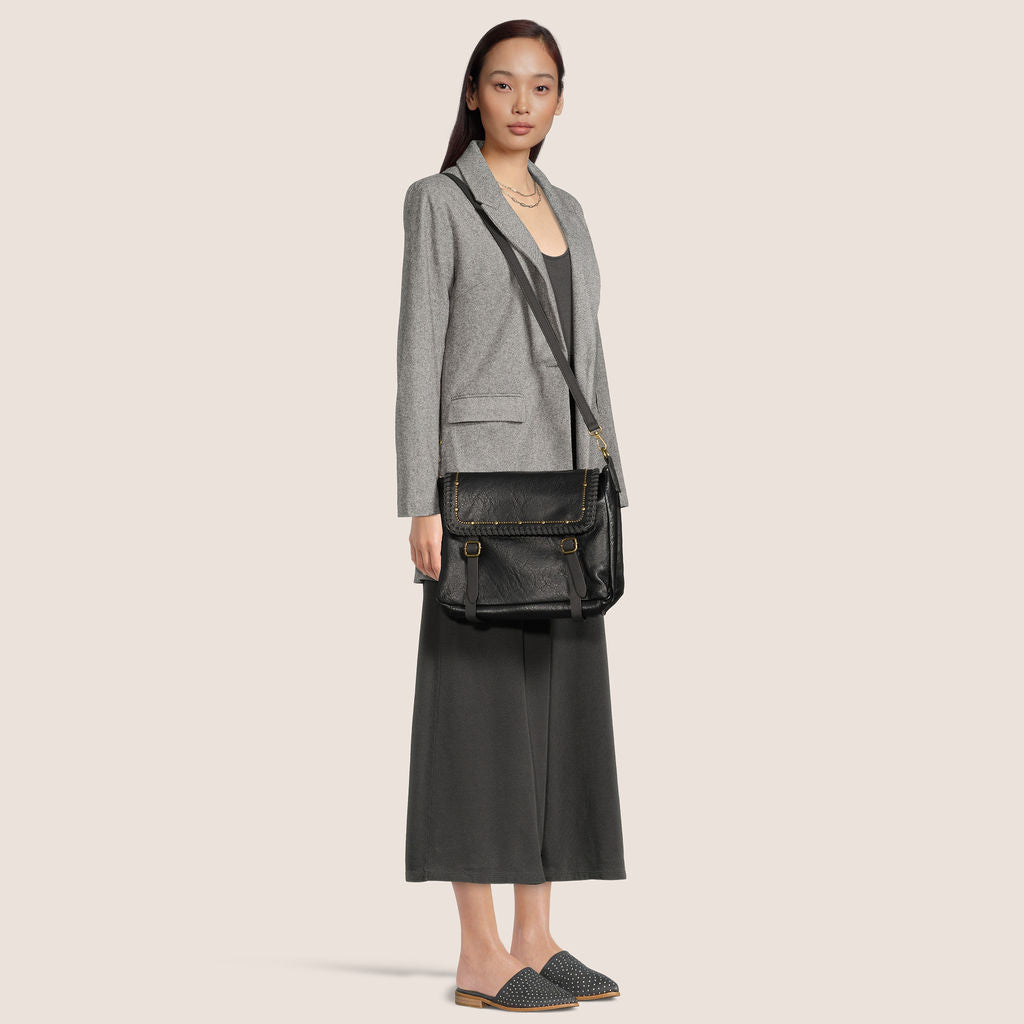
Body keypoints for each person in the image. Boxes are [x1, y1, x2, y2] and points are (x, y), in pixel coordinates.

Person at [395, 20, 631, 1012]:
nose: (522, 103)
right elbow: (418, 353)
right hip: (482, 495)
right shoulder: (440, 201)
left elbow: (588, 353)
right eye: (503, 84)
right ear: (473, 94)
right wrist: (419, 500)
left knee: (559, 716)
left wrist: (613, 477)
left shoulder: (569, 207)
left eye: (540, 85)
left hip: (567, 490)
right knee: (478, 715)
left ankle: (536, 935)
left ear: (560, 99)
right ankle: (478, 951)